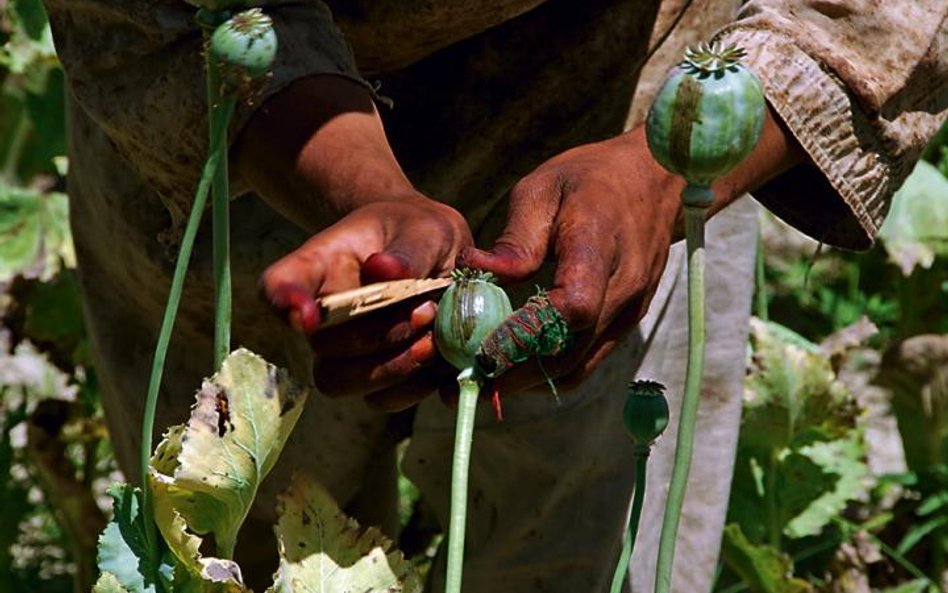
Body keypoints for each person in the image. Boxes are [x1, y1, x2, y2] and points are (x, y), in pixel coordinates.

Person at [42, 0, 947, 591]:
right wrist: (357, 184)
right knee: (228, 548)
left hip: (634, 106)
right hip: (235, 121)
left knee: (578, 555)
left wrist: (665, 173)